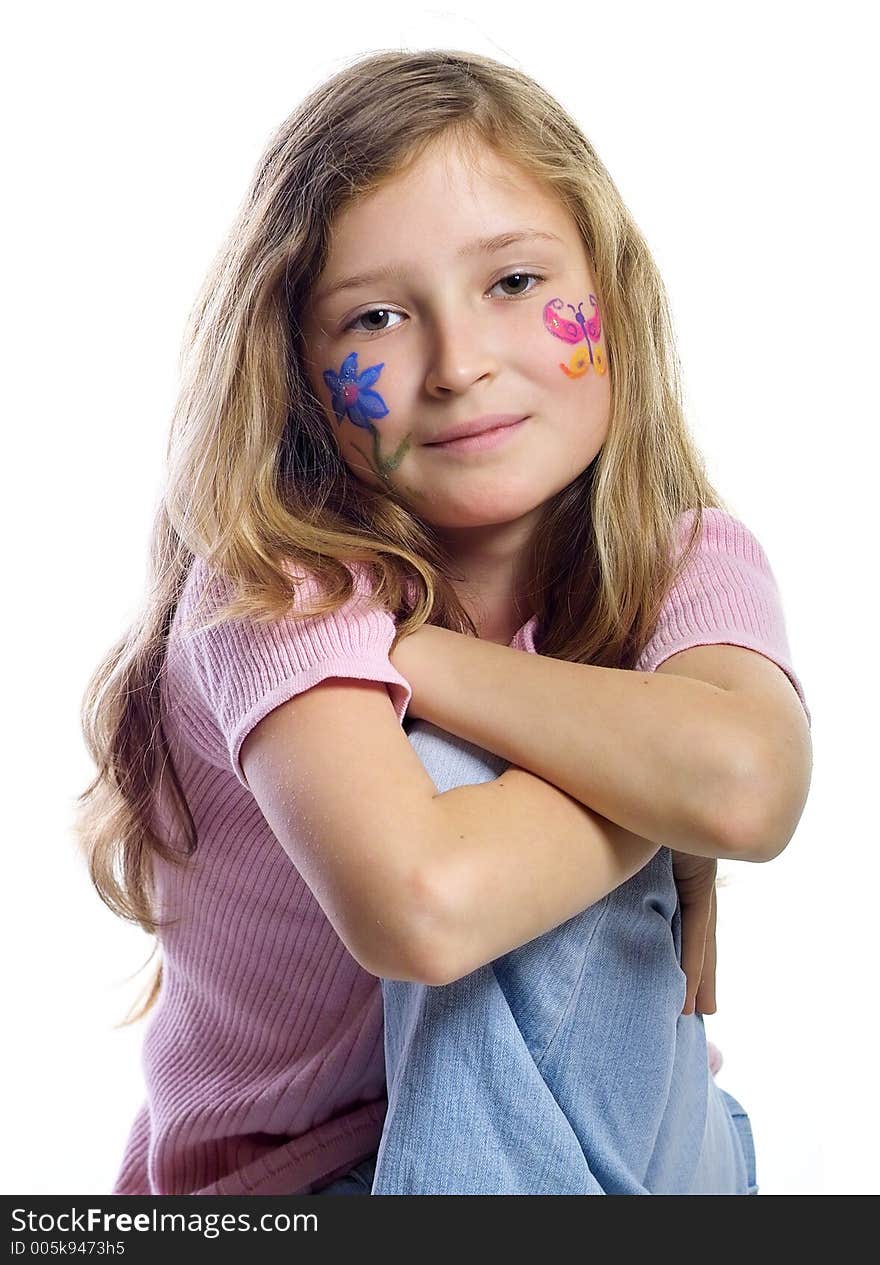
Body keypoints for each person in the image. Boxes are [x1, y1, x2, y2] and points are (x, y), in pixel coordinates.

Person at [76, 49, 812, 1196]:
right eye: (375, 316)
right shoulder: (277, 587)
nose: (461, 364)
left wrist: (416, 655)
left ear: (610, 295)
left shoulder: (687, 556)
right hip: (314, 1183)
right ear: (298, 375)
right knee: (454, 781)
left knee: (484, 775)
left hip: (643, 1150)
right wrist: (653, 788)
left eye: (514, 283)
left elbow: (750, 785)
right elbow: (423, 903)